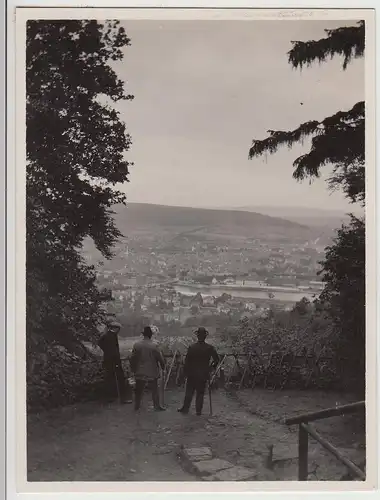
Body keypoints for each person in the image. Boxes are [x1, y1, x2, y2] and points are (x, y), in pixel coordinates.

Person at [178, 327, 219, 416]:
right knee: (200, 393)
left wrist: (185, 373)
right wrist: (211, 367)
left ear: (197, 336)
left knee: (189, 391)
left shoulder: (192, 347)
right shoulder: (210, 348)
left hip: (192, 373)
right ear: (205, 336)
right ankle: (198, 411)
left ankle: (185, 408)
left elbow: (187, 362)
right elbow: (217, 360)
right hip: (203, 373)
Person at [130, 326, 166, 412]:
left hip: (140, 370)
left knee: (138, 390)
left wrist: (133, 369)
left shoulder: (137, 345)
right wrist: (163, 366)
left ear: (143, 335)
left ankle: (137, 406)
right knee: (154, 390)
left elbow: (133, 359)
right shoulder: (154, 345)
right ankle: (157, 406)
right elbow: (160, 358)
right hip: (152, 371)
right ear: (150, 335)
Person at [98, 320, 132, 404]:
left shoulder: (105, 335)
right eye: (118, 329)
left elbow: (100, 343)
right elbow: (115, 350)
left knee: (109, 377)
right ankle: (121, 397)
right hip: (114, 360)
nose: (119, 330)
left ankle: (111, 397)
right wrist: (113, 355)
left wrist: (106, 351)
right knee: (119, 377)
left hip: (108, 359)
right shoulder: (112, 336)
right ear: (115, 328)